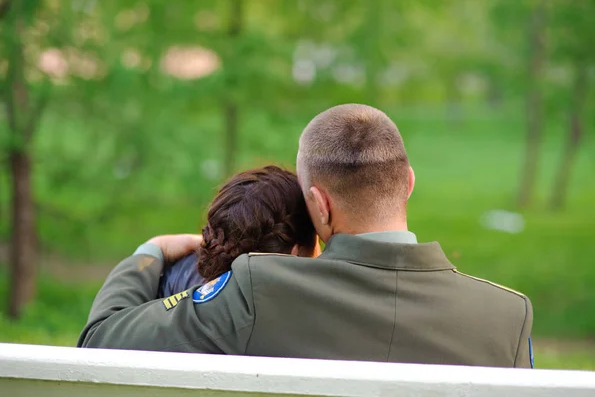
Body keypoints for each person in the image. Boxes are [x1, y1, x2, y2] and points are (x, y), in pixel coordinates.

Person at [78, 103, 534, 368]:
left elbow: (100, 343)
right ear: (409, 182)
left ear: (319, 205)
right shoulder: (508, 318)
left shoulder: (258, 290)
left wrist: (148, 254)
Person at [157, 165, 319, 298]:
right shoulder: (314, 318)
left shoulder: (175, 282)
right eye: (317, 237)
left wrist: (154, 248)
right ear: (294, 255)